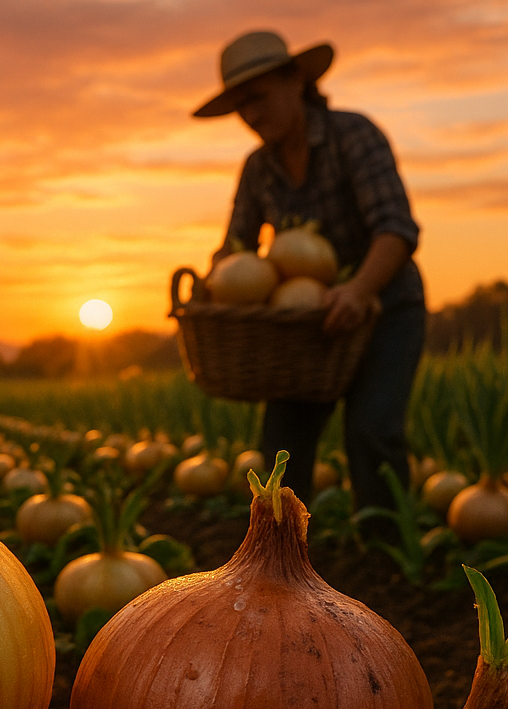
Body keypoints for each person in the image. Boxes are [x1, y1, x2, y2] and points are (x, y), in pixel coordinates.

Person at [195, 30, 425, 511]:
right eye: (241, 106)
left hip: (385, 306)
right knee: (281, 447)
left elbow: (396, 229)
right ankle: (280, 566)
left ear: (295, 80)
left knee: (372, 432)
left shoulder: (352, 135)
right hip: (304, 326)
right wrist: (211, 289)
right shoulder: (258, 167)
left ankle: (389, 554)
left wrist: (359, 289)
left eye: (257, 98)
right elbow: (236, 247)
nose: (251, 116)